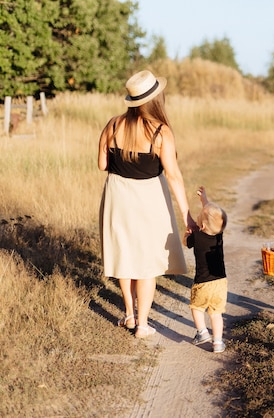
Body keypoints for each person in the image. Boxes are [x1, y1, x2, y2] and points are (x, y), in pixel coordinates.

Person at [98, 70, 196, 338]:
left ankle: (129, 314)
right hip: (149, 199)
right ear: (155, 99)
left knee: (124, 255)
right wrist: (186, 215)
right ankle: (142, 324)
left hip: (118, 196)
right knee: (146, 262)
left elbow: (102, 165)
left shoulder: (113, 125)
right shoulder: (161, 131)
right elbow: (173, 175)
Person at [184, 186, 228, 353]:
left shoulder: (196, 237)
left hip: (202, 283)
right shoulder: (218, 235)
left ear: (201, 225)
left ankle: (202, 332)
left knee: (196, 307)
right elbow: (212, 215)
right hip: (220, 283)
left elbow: (185, 243)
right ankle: (217, 343)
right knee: (216, 314)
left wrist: (187, 233)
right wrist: (205, 200)